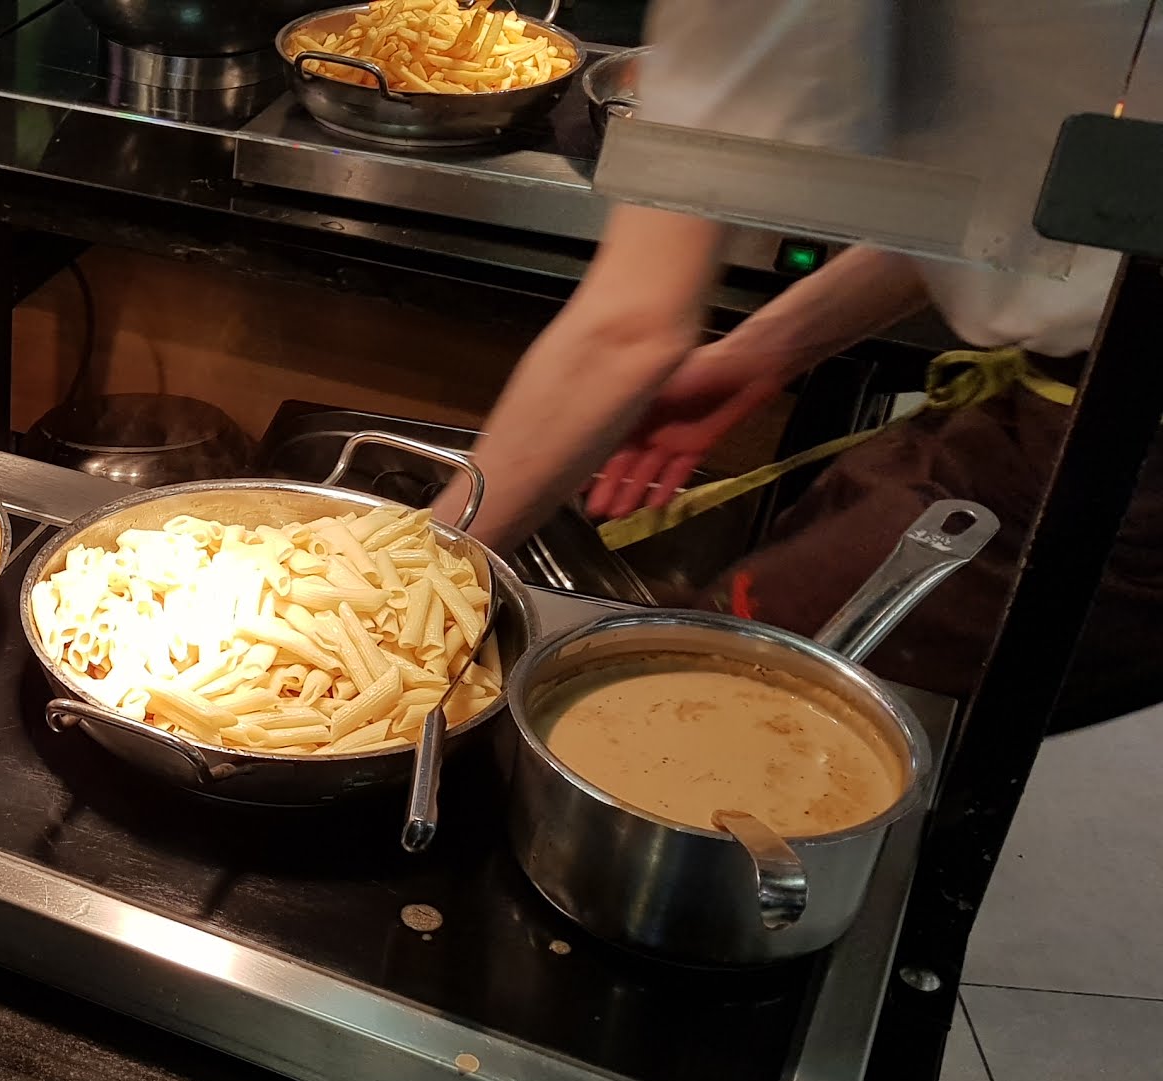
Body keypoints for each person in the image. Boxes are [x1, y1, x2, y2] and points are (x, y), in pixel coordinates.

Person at [443, 1, 1163, 730]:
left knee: (708, 704)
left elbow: (628, 327)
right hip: (1084, 377)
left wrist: (411, 571)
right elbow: (1032, 201)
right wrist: (765, 351)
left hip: (1128, 433)